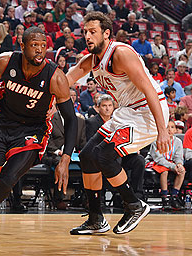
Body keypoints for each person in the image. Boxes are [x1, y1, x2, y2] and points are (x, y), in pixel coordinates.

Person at [0, 26, 78, 239]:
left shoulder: (56, 78)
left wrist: (66, 159)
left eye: (43, 46)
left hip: (32, 130)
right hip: (2, 122)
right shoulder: (6, 61)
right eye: (34, 45)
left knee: (9, 178)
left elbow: (71, 120)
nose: (40, 51)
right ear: (22, 45)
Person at [66, 12, 169, 235]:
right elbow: (63, 82)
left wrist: (163, 131)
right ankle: (96, 219)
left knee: (104, 154)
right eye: (85, 32)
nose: (88, 36)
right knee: (87, 155)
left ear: (106, 33)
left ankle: (134, 205)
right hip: (126, 112)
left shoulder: (121, 54)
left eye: (92, 32)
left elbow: (150, 90)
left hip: (147, 113)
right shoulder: (90, 60)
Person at [145, 120, 185, 210]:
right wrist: (172, 166)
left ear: (175, 130)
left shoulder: (178, 142)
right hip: (157, 162)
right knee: (164, 171)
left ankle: (174, 196)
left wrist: (179, 164)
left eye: (172, 127)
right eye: (167, 127)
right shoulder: (156, 140)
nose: (169, 130)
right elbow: (158, 158)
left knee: (182, 171)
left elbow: (178, 156)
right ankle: (164, 196)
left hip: (171, 162)